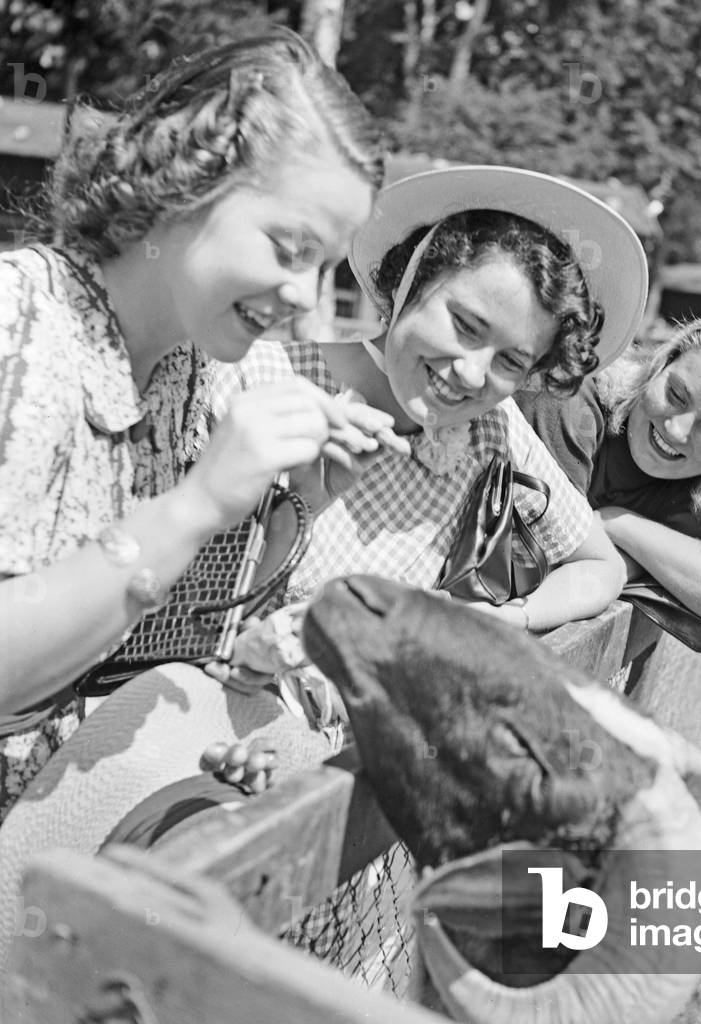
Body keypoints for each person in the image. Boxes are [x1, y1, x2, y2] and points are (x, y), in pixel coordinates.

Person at [0, 28, 390, 822]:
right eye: (290, 248)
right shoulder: (20, 328)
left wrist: (301, 504)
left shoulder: (201, 369)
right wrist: (198, 504)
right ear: (185, 183)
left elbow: (164, 643)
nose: (305, 297)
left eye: (325, 268)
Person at [200, 164, 651, 723]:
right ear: (409, 282)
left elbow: (598, 564)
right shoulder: (255, 379)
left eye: (511, 360)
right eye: (465, 324)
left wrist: (511, 618)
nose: (470, 372)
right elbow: (186, 609)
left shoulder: (494, 429)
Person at [516, 312, 701, 634]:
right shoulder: (572, 403)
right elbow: (540, 562)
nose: (676, 428)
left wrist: (618, 523)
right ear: (663, 362)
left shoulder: (698, 499)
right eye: (676, 395)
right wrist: (636, 560)